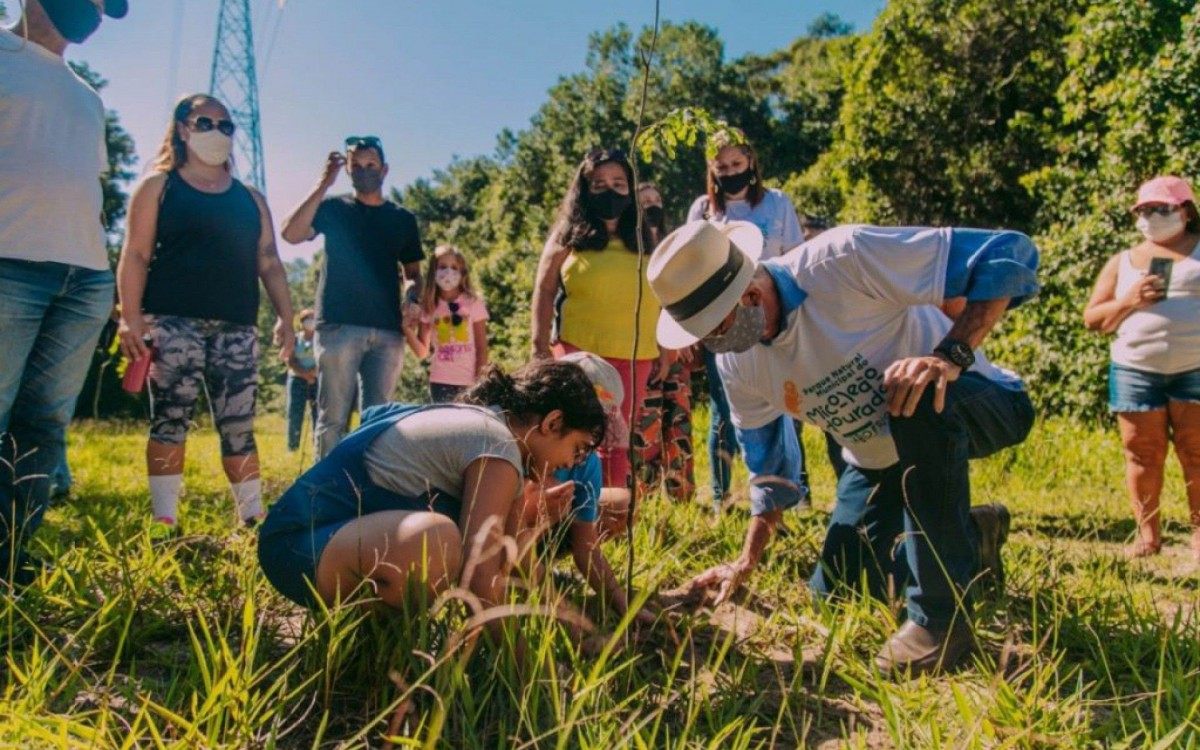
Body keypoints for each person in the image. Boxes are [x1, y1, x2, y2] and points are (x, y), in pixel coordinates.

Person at [649, 220, 1039, 675]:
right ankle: (971, 533)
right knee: (836, 590)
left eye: (714, 330)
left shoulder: (842, 260)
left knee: (911, 404)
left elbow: (1008, 252)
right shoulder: (738, 365)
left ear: (751, 296)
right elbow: (770, 468)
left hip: (974, 402)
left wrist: (947, 357)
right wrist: (746, 560)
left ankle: (940, 622)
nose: (709, 348)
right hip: (877, 464)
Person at [257, 359, 605, 631]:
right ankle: (378, 643)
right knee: (438, 541)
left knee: (448, 543)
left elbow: (518, 563)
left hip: (309, 547)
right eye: (578, 450)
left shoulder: (499, 440)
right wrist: (528, 677)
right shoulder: (497, 445)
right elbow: (479, 577)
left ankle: (369, 636)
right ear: (553, 423)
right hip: (298, 548)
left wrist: (578, 631)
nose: (568, 465)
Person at [116, 93, 296, 531]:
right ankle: (165, 519)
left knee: (239, 424)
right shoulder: (159, 187)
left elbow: (269, 260)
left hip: (236, 328)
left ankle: (253, 517)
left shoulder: (250, 199)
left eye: (225, 125)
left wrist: (286, 319)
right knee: (170, 419)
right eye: (204, 123)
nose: (216, 133)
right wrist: (130, 316)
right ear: (182, 129)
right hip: (173, 322)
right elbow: (135, 255)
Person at [0, 0, 128, 586]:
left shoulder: (87, 95)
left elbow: (82, 188)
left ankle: (12, 554)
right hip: (10, 266)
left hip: (83, 279)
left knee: (44, 426)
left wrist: (105, 280)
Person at [531, 147, 672, 518]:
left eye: (618, 183)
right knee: (568, 436)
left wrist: (666, 346)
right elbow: (545, 289)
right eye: (599, 184)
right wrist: (539, 345)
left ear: (631, 189)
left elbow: (662, 291)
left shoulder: (645, 237)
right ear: (585, 189)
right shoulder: (568, 235)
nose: (609, 191)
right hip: (578, 353)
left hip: (634, 354)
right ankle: (554, 518)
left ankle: (604, 522)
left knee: (616, 441)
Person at [686, 134, 809, 511]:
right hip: (722, 321)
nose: (730, 174)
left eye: (737, 166)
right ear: (711, 171)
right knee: (725, 411)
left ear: (750, 163)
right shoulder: (704, 210)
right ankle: (722, 497)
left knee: (789, 402)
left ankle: (796, 494)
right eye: (721, 169)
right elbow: (688, 269)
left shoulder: (776, 203)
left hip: (774, 315)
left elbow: (796, 257)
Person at [281, 136, 423, 458]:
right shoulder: (333, 209)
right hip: (338, 327)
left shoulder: (402, 219)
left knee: (379, 421)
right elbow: (290, 234)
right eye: (356, 166)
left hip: (388, 331)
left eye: (370, 165)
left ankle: (368, 490)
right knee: (332, 419)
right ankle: (329, 494)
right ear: (347, 170)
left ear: (384, 170)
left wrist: (412, 299)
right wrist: (322, 183)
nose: (364, 171)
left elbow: (413, 272)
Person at [1084, 175, 1200, 562]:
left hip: (1195, 367)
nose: (1151, 216)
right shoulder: (1124, 261)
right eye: (1144, 210)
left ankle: (1199, 536)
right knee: (1142, 453)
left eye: (1160, 209)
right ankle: (1148, 537)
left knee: (1196, 452)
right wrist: (1130, 300)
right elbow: (1093, 319)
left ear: (1185, 211)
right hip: (1136, 369)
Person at [515, 351, 655, 624]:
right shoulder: (518, 444)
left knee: (619, 503)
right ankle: (526, 577)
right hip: (508, 536)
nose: (594, 435)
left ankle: (543, 569)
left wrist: (620, 602)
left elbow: (586, 547)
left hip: (544, 536)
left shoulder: (586, 462)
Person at [635, 182, 695, 503]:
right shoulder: (631, 253)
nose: (652, 205)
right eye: (644, 201)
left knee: (679, 427)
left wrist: (680, 340)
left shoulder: (674, 247)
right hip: (645, 350)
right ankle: (641, 503)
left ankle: (682, 499)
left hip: (677, 350)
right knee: (645, 429)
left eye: (657, 199)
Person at [404, 244, 489, 403]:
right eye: (442, 267)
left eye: (454, 267)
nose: (448, 272)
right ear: (433, 272)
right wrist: (405, 329)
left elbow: (482, 349)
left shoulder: (473, 303)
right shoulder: (429, 306)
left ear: (462, 273)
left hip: (469, 382)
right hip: (440, 382)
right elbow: (422, 352)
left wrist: (479, 383)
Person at [286, 309, 319, 452]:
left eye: (313, 319)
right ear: (301, 322)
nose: (310, 322)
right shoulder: (295, 339)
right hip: (297, 379)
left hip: (317, 379)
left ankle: (317, 445)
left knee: (318, 414)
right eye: (307, 319)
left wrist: (314, 373)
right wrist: (305, 374)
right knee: (295, 413)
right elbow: (290, 360)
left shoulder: (320, 339)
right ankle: (292, 446)